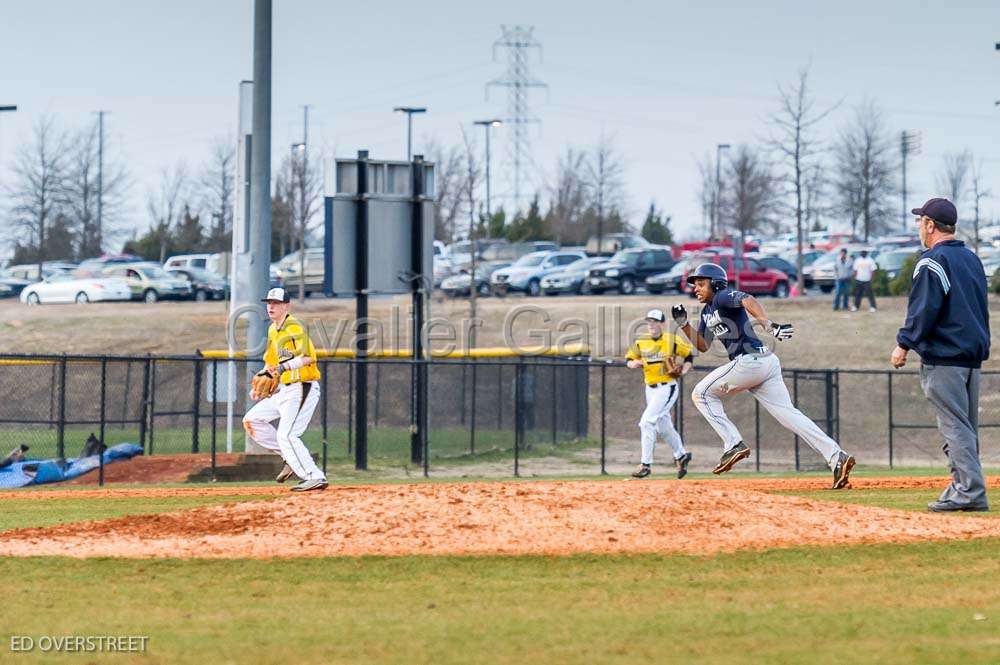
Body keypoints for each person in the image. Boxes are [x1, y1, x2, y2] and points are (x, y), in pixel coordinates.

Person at [675, 263, 855, 489]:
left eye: (701, 283)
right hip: (764, 363)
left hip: (750, 361)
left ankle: (733, 444)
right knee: (790, 416)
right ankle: (836, 457)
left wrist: (768, 325)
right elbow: (702, 345)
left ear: (717, 284)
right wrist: (683, 325)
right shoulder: (707, 311)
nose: (696, 288)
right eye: (695, 285)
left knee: (700, 394)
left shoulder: (722, 296)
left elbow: (747, 299)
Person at [891, 198, 990, 512]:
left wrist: (903, 344)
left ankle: (970, 492)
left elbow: (924, 310)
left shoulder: (932, 261)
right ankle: (960, 486)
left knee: (955, 427)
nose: (920, 226)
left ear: (930, 225)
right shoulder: (971, 260)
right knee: (964, 427)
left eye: (921, 221)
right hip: (971, 357)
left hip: (945, 357)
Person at [243, 287, 329, 492]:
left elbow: (309, 357)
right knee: (252, 420)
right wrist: (260, 381)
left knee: (287, 434)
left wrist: (284, 367)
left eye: (276, 303)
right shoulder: (273, 329)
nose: (271, 306)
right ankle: (289, 457)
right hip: (284, 390)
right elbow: (271, 362)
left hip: (302, 387)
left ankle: (314, 476)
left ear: (286, 306)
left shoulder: (294, 326)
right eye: (269, 303)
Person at [625, 309, 694, 479]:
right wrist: (633, 363)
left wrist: (684, 371)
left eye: (655, 321)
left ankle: (645, 464)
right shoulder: (641, 342)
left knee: (647, 422)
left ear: (663, 324)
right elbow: (629, 359)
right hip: (650, 389)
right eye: (649, 321)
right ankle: (681, 455)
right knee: (664, 427)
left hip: (667, 387)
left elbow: (689, 356)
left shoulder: (672, 340)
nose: (652, 325)